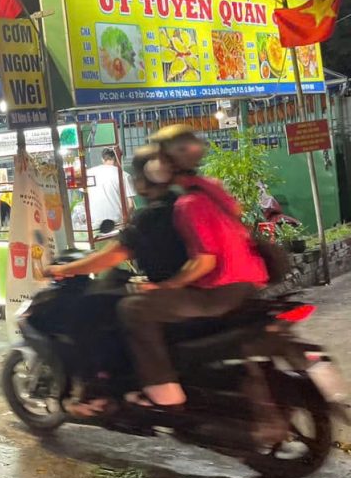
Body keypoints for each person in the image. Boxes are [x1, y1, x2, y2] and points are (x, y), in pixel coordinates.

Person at [118, 125, 268, 409]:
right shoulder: (212, 189)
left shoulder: (189, 203)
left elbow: (205, 261)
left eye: (159, 159)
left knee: (134, 308)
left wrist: (164, 287)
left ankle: (163, 390)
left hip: (219, 292)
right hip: (249, 283)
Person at [47, 146, 189, 414]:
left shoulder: (152, 215)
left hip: (167, 292)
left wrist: (64, 269)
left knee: (87, 307)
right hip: (185, 288)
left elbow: (110, 257)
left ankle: (95, 391)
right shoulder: (180, 203)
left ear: (144, 180)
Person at [84, 148, 135, 230]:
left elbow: (85, 199)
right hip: (117, 223)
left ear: (102, 159)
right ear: (118, 158)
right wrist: (125, 222)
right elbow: (131, 205)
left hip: (94, 223)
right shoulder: (124, 175)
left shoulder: (88, 173)